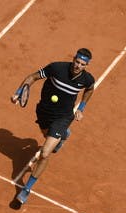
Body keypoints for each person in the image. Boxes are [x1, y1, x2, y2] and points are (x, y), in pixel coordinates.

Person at [11, 48, 95, 204]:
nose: (78, 66)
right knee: (47, 136)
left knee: (45, 153)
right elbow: (33, 77)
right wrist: (19, 91)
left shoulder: (87, 79)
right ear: (74, 58)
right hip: (44, 111)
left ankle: (27, 188)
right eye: (77, 61)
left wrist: (81, 108)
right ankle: (63, 136)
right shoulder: (56, 68)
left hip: (63, 117)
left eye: (82, 64)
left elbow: (90, 89)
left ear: (86, 65)